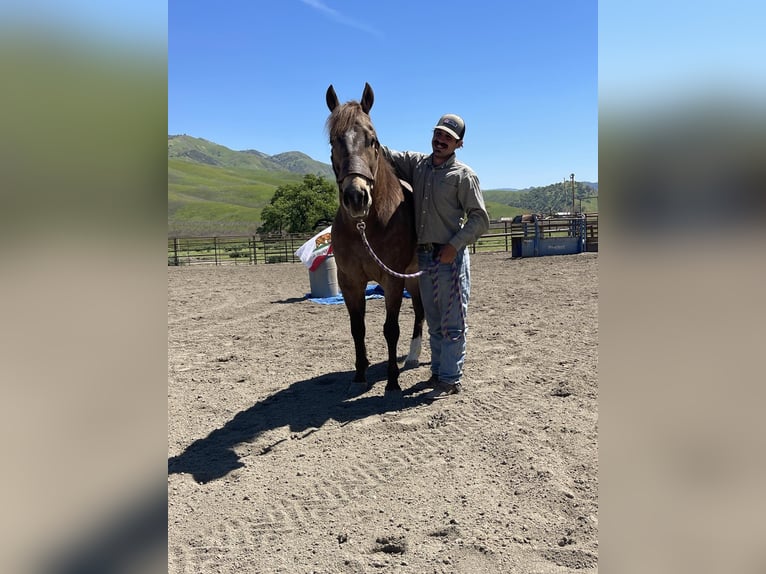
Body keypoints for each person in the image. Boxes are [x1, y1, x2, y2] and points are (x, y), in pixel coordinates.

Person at [382, 114, 490, 400]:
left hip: (450, 258)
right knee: (433, 319)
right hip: (425, 257)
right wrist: (361, 123)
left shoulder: (464, 176)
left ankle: (451, 379)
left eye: (448, 138)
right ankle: (439, 372)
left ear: (459, 143)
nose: (440, 140)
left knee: (453, 320)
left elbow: (480, 219)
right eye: (438, 134)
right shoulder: (418, 165)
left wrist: (454, 246)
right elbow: (383, 152)